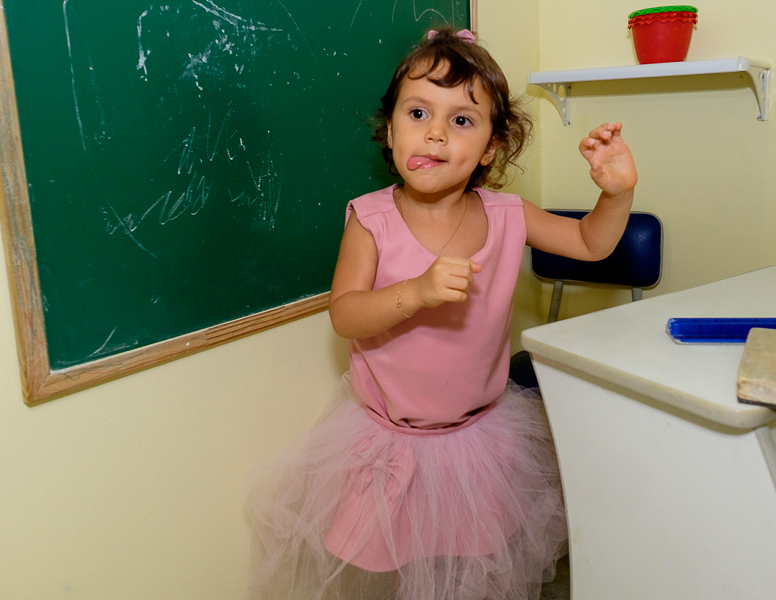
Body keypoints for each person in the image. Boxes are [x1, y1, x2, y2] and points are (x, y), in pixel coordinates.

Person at [247, 27, 637, 600]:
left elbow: (589, 243)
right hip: (390, 444)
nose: (434, 131)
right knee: (398, 572)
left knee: (472, 571)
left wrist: (616, 195)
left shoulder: (508, 213)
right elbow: (346, 315)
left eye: (461, 119)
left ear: (491, 147)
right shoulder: (371, 219)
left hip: (482, 440)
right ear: (390, 130)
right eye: (418, 112)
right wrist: (416, 292)